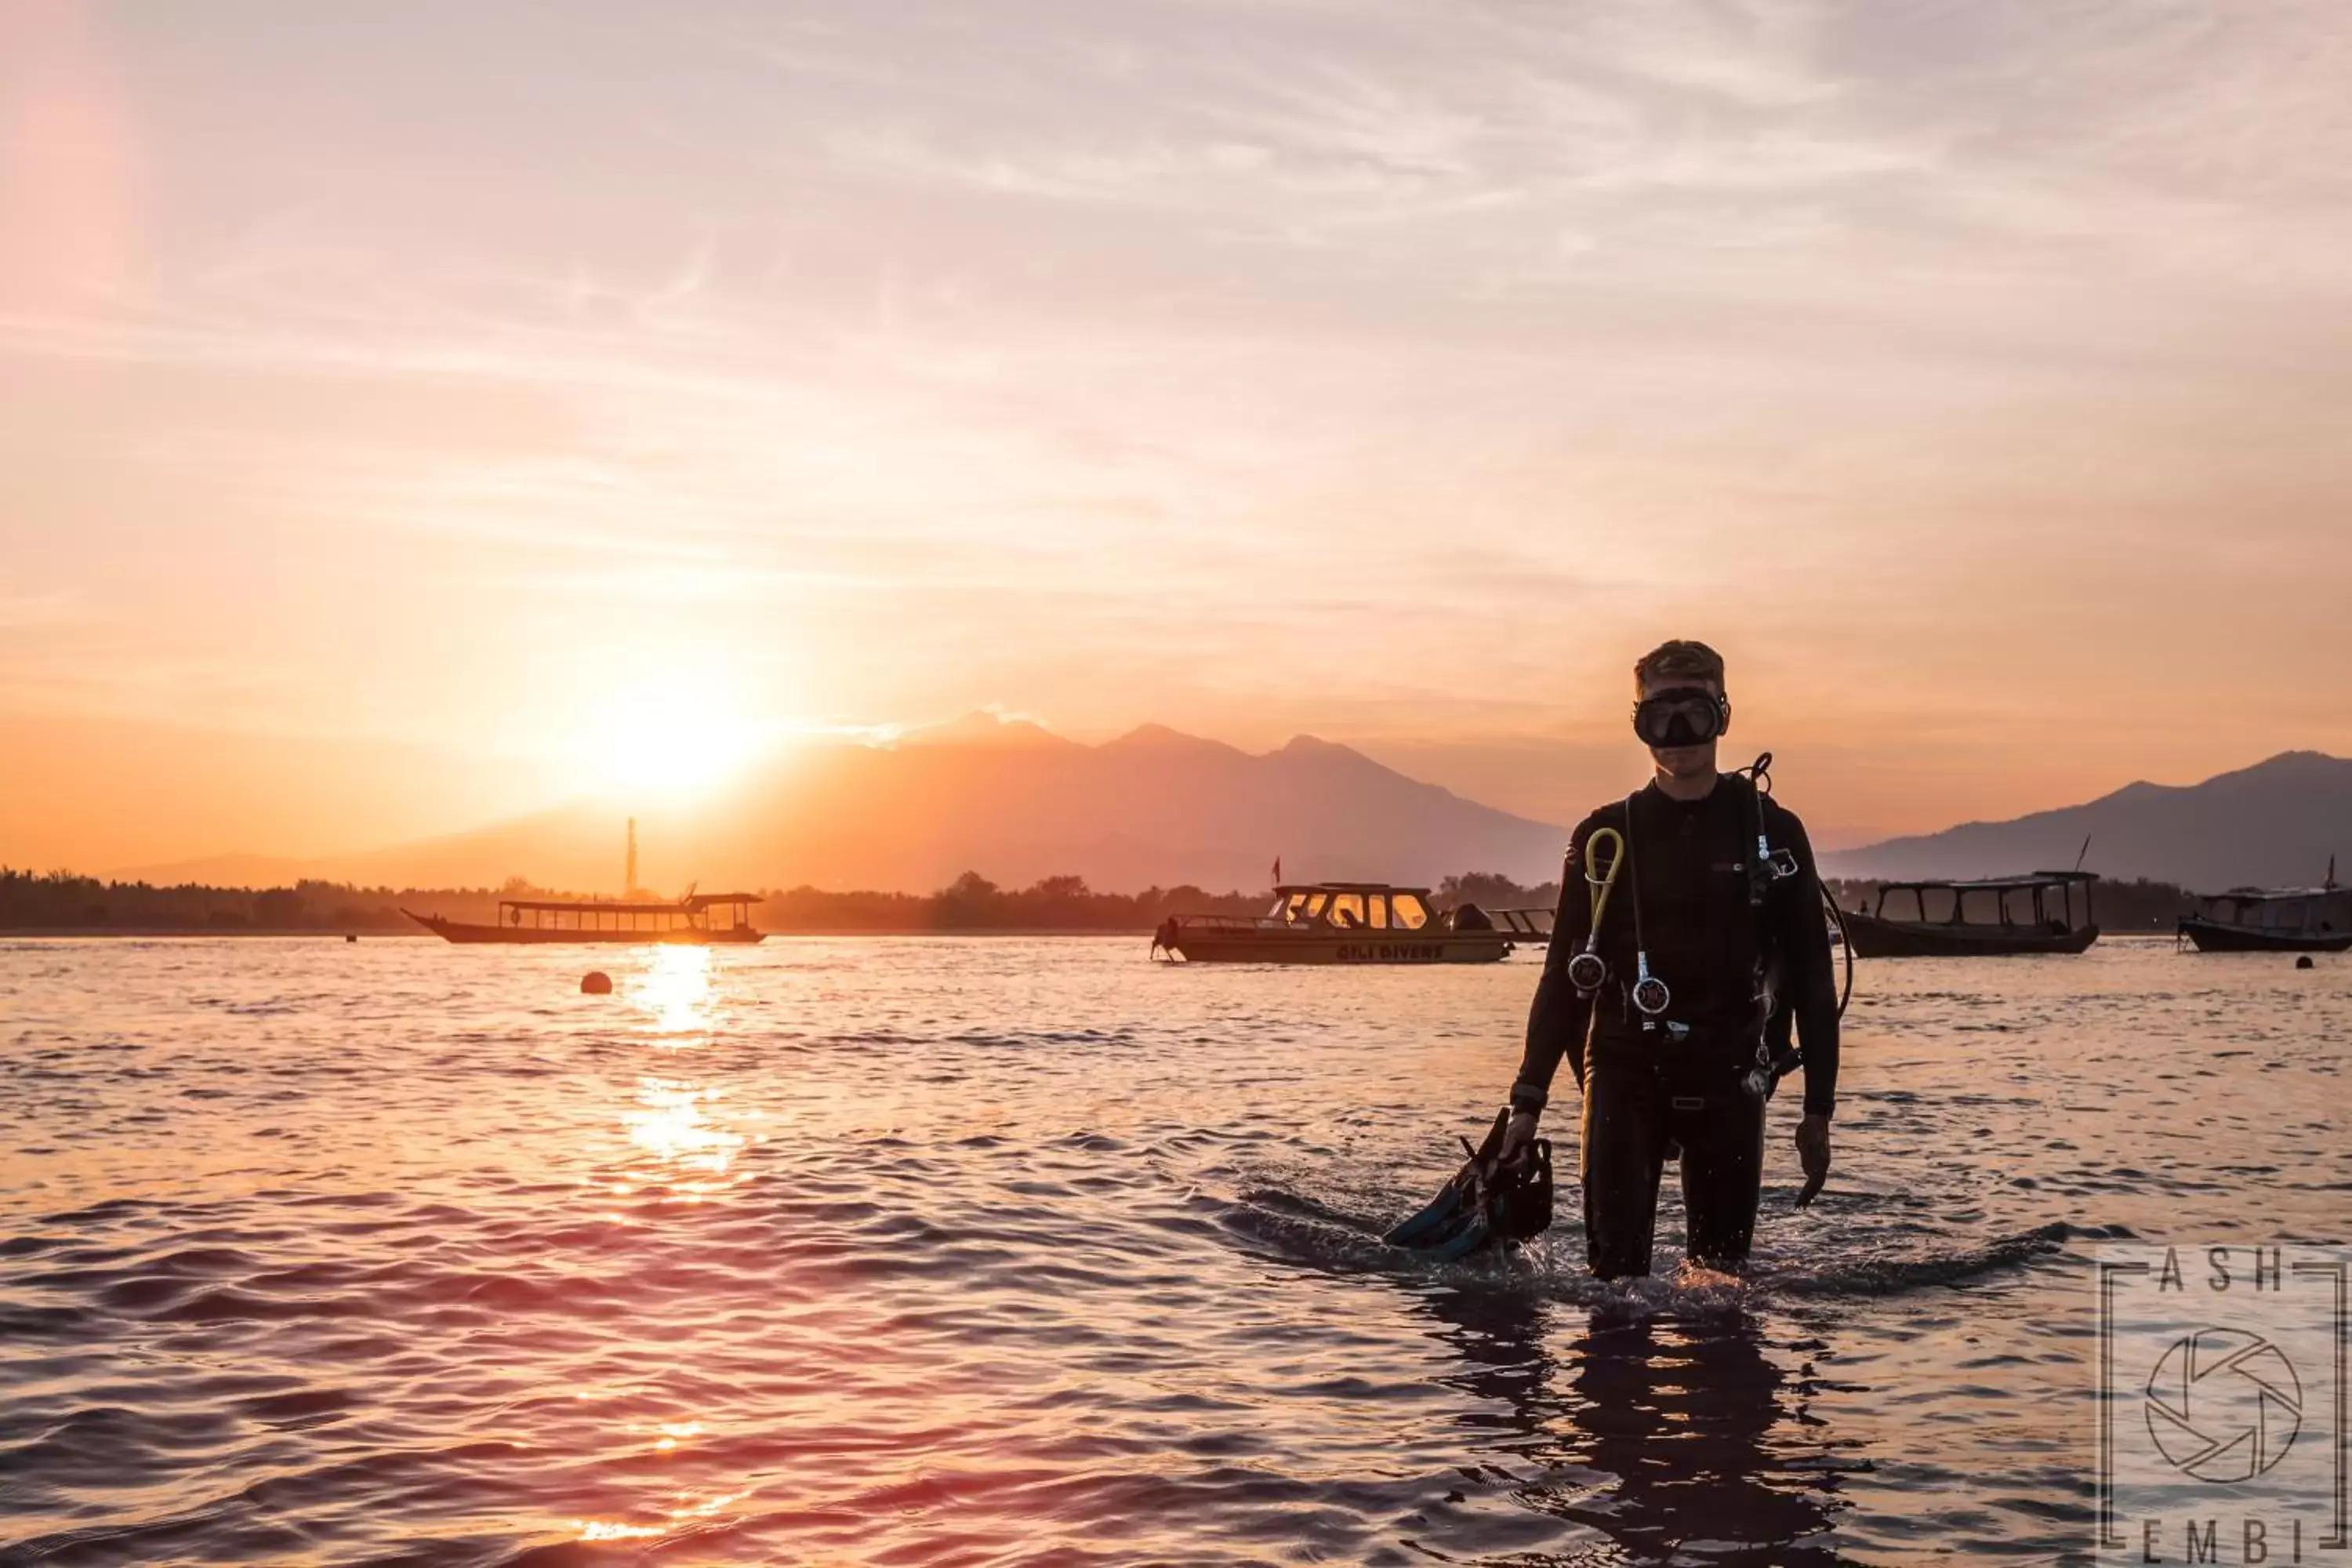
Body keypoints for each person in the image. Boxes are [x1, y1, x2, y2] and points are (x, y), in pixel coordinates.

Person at [1498, 639, 1838, 1278]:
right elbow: (1563, 980)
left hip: (1732, 1069)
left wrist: (1818, 1110)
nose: (1677, 733)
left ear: (1724, 717)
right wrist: (1527, 1102)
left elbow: (1815, 978)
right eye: (1659, 717)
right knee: (1614, 1288)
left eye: (1694, 714)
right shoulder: (1604, 838)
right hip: (1626, 1064)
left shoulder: (1773, 832)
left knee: (1722, 1286)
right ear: (1637, 724)